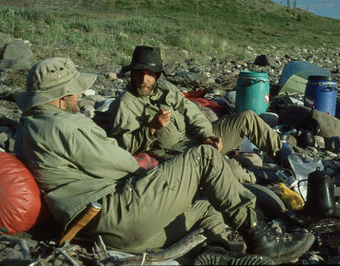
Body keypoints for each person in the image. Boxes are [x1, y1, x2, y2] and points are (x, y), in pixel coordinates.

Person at [14, 57, 314, 261]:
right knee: (204, 158)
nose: (79, 98)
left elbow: (193, 114)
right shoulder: (66, 125)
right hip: (112, 213)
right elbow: (121, 161)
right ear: (64, 95)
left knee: (204, 206)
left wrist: (201, 137)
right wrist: (156, 169)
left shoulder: (32, 126)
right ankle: (263, 240)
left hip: (113, 230)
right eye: (76, 92)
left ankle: (224, 252)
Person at [108, 46, 291, 182]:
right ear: (132, 74)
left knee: (247, 117)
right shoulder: (125, 104)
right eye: (139, 73)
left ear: (157, 75)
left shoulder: (166, 89)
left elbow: (192, 113)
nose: (143, 79)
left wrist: (208, 135)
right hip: (177, 155)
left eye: (149, 74)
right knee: (226, 169)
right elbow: (123, 146)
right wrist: (152, 129)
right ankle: (260, 178)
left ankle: (286, 157)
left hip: (197, 138)